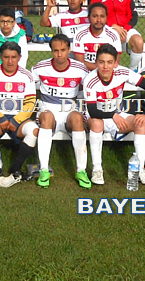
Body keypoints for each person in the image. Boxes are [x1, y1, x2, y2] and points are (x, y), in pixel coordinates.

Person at [83, 44, 145, 186]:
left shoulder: (122, 72)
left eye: (109, 62)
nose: (105, 66)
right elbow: (92, 111)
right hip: (96, 116)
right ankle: (97, 169)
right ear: (96, 62)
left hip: (117, 113)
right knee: (97, 123)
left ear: (115, 63)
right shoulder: (90, 80)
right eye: (102, 62)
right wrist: (113, 115)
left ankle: (139, 170)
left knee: (140, 124)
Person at [31, 34, 91, 188]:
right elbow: (26, 82)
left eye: (63, 50)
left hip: (69, 109)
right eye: (56, 51)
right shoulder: (40, 67)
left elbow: (91, 87)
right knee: (47, 117)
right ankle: (44, 170)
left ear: (69, 50)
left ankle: (81, 170)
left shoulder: (80, 69)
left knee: (77, 118)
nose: (59, 54)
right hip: (48, 108)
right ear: (51, 51)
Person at [0, 41, 38, 188]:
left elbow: (30, 103)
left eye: (13, 57)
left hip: (19, 119)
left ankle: (15, 169)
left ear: (19, 58)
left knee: (33, 131)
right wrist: (1, 118)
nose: (10, 61)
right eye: (6, 57)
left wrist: (16, 120)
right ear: (0, 57)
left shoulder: (27, 76)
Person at [91, 0, 144, 71]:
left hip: (125, 29)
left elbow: (134, 16)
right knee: (109, 52)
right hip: (106, 30)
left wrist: (124, 29)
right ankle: (111, 72)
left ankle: (133, 70)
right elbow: (95, 20)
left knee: (138, 41)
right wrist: (113, 27)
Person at [72, 2, 122, 71]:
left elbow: (115, 61)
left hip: (107, 72)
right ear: (89, 18)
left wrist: (102, 69)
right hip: (85, 72)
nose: (99, 20)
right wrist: (100, 68)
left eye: (102, 16)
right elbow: (80, 62)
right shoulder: (79, 35)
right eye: (95, 16)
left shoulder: (113, 35)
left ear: (106, 18)